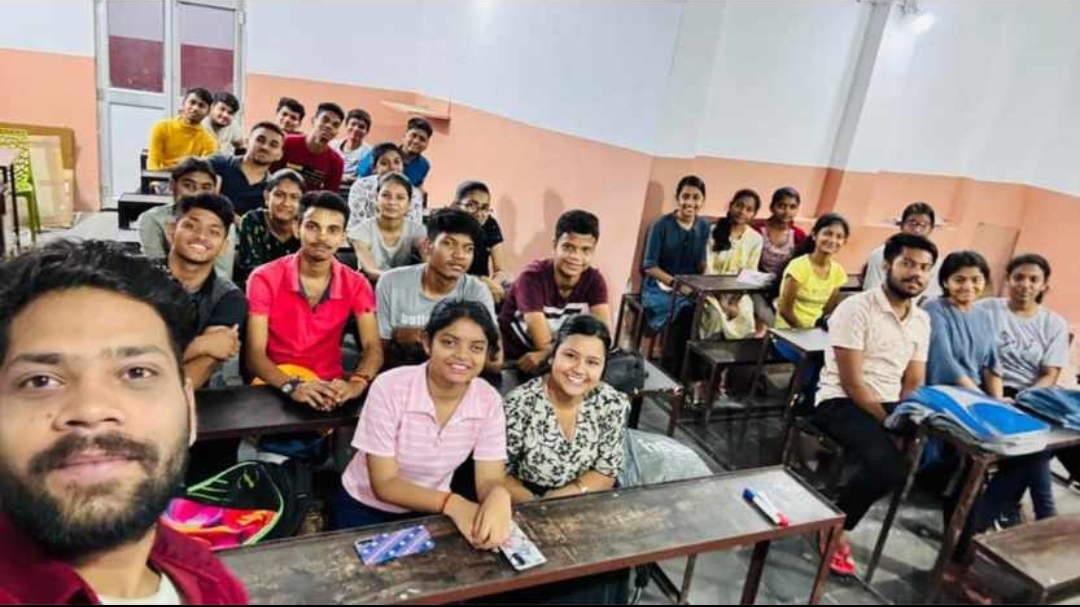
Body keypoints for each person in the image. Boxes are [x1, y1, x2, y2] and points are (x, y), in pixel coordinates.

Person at [0, 240, 247, 603]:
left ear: (189, 409)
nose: (92, 409)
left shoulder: (212, 583)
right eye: (41, 381)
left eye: (136, 372)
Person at [335, 299, 512, 552]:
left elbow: (489, 478)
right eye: (449, 342)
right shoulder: (390, 387)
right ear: (428, 343)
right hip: (367, 510)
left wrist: (498, 496)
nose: (462, 355)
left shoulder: (488, 400)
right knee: (369, 575)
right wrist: (453, 504)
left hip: (431, 509)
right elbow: (385, 483)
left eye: (476, 347)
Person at [812, 233, 937, 576]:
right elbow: (852, 382)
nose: (916, 273)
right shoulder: (856, 308)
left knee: (934, 453)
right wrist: (889, 423)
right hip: (840, 400)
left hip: (889, 402)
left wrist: (906, 416)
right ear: (887, 265)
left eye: (924, 267)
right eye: (908, 264)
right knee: (888, 467)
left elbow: (914, 379)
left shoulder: (921, 319)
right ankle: (835, 525)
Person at [245, 191, 383, 410]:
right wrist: (292, 386)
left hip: (329, 387)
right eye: (312, 227)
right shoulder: (263, 278)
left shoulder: (357, 283)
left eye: (333, 230)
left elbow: (372, 346)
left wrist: (356, 383)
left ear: (343, 236)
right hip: (272, 383)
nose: (322, 237)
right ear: (296, 228)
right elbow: (254, 355)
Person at [979, 254, 1072, 527]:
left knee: (1036, 445)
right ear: (1008, 279)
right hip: (986, 388)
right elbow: (984, 361)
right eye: (1019, 277)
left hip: (1031, 395)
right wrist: (998, 398)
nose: (1025, 285)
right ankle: (1039, 514)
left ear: (1044, 286)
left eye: (1034, 279)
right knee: (1036, 447)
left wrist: (1024, 399)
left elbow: (1049, 374)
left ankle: (984, 518)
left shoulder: (1054, 324)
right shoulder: (987, 310)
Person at [504, 315, 628, 501]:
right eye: (570, 356)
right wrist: (539, 506)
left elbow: (607, 471)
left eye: (592, 362)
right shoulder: (519, 404)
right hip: (525, 501)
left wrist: (558, 500)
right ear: (552, 356)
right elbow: (498, 474)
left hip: (586, 498)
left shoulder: (611, 402)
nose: (579, 369)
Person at [376, 209, 500, 373]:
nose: (459, 255)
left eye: (468, 249)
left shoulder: (477, 291)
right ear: (428, 246)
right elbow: (377, 351)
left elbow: (495, 361)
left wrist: (424, 337)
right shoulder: (391, 282)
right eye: (449, 244)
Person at [499, 210, 610, 373]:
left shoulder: (594, 280)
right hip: (511, 361)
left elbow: (603, 337)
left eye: (585, 250)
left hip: (553, 358)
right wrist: (549, 353)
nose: (576, 257)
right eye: (568, 247)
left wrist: (548, 354)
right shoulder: (531, 278)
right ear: (554, 245)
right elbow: (543, 343)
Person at [166, 194, 247, 390]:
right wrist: (201, 344)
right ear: (171, 231)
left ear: (224, 246)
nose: (201, 237)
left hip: (193, 396)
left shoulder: (229, 297)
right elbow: (119, 354)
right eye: (191, 226)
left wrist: (160, 399)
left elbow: (208, 360)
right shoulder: (138, 279)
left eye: (214, 232)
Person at [640, 175, 711, 373]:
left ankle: (695, 373)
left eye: (696, 197)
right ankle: (674, 370)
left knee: (710, 313)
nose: (690, 202)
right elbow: (649, 266)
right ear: (677, 198)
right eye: (685, 196)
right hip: (659, 288)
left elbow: (701, 263)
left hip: (690, 287)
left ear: (702, 201)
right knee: (686, 312)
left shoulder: (704, 226)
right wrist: (677, 285)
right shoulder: (660, 225)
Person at [137, 157, 237, 278]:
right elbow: (156, 270)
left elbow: (222, 273)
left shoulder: (223, 223)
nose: (197, 193)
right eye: (188, 186)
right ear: (172, 185)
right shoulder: (152, 218)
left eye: (206, 188)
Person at [699, 189, 763, 340]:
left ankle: (733, 355)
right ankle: (704, 353)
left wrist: (733, 301)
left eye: (749, 209)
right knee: (715, 316)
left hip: (737, 293)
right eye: (739, 205)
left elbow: (749, 274)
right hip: (711, 291)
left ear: (754, 214)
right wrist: (721, 300)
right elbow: (707, 268)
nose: (742, 212)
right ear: (731, 205)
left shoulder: (756, 239)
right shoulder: (713, 231)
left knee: (745, 314)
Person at [774, 213, 850, 330]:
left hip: (816, 332)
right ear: (814, 235)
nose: (832, 240)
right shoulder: (798, 266)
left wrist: (818, 332)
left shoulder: (838, 272)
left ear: (844, 242)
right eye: (827, 234)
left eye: (839, 237)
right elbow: (785, 311)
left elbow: (827, 310)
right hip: (788, 331)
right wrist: (806, 334)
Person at [348, 172, 426, 283]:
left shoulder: (418, 231)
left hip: (407, 288)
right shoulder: (361, 231)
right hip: (371, 287)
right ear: (376, 198)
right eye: (385, 196)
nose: (392, 202)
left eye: (400, 198)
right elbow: (371, 271)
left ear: (409, 203)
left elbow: (429, 265)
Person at [234, 168, 303, 289]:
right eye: (279, 195)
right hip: (254, 289)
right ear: (267, 196)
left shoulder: (305, 227)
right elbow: (253, 270)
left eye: (294, 197)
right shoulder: (253, 220)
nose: (286, 203)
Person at [863, 202, 943, 300]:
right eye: (912, 224)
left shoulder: (935, 260)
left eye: (923, 225)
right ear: (902, 225)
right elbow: (871, 289)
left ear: (931, 229)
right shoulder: (879, 254)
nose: (917, 230)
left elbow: (932, 295)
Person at [208, 121, 286, 218]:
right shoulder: (217, 164)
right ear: (247, 142)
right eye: (260, 140)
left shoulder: (272, 190)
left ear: (280, 155)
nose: (265, 147)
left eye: (273, 145)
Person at [453, 180, 510, 304]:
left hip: (483, 285)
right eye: (471, 205)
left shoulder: (490, 224)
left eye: (485, 208)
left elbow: (500, 270)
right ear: (456, 206)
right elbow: (442, 272)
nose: (479, 214)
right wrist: (480, 283)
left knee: (515, 291)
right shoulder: (447, 226)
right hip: (453, 285)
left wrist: (492, 285)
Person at [346, 142, 426, 227]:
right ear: (374, 168)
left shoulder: (414, 194)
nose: (392, 167)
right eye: (384, 163)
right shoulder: (361, 187)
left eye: (397, 162)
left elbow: (413, 227)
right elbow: (356, 224)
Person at [271, 102, 345, 192]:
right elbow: (270, 176)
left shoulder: (336, 162)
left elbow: (329, 195)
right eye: (325, 120)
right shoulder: (286, 143)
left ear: (337, 132)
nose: (329, 126)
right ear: (313, 121)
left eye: (335, 125)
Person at [147, 88, 218, 170]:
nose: (195, 108)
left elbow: (203, 172)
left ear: (208, 112)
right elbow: (152, 165)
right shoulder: (162, 128)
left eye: (201, 106)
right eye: (192, 102)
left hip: (190, 177)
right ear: (183, 103)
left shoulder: (209, 142)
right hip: (162, 176)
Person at [356, 117, 433, 187]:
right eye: (413, 135)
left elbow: (417, 186)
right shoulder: (381, 152)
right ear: (404, 136)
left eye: (422, 139)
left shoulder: (424, 166)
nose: (416, 141)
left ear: (427, 144)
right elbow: (360, 179)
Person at [752, 186, 808, 276]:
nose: (787, 212)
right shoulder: (757, 229)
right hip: (754, 279)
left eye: (792, 207)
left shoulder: (798, 235)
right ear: (771, 207)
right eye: (781, 206)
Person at [333, 108, 373, 182]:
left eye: (361, 127)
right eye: (353, 124)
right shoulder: (332, 146)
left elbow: (361, 179)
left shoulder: (369, 154)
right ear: (346, 125)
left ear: (367, 131)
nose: (356, 129)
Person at [202, 91, 245, 155]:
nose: (225, 115)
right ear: (212, 107)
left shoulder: (233, 125)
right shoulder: (201, 124)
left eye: (230, 113)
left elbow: (241, 145)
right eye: (222, 109)